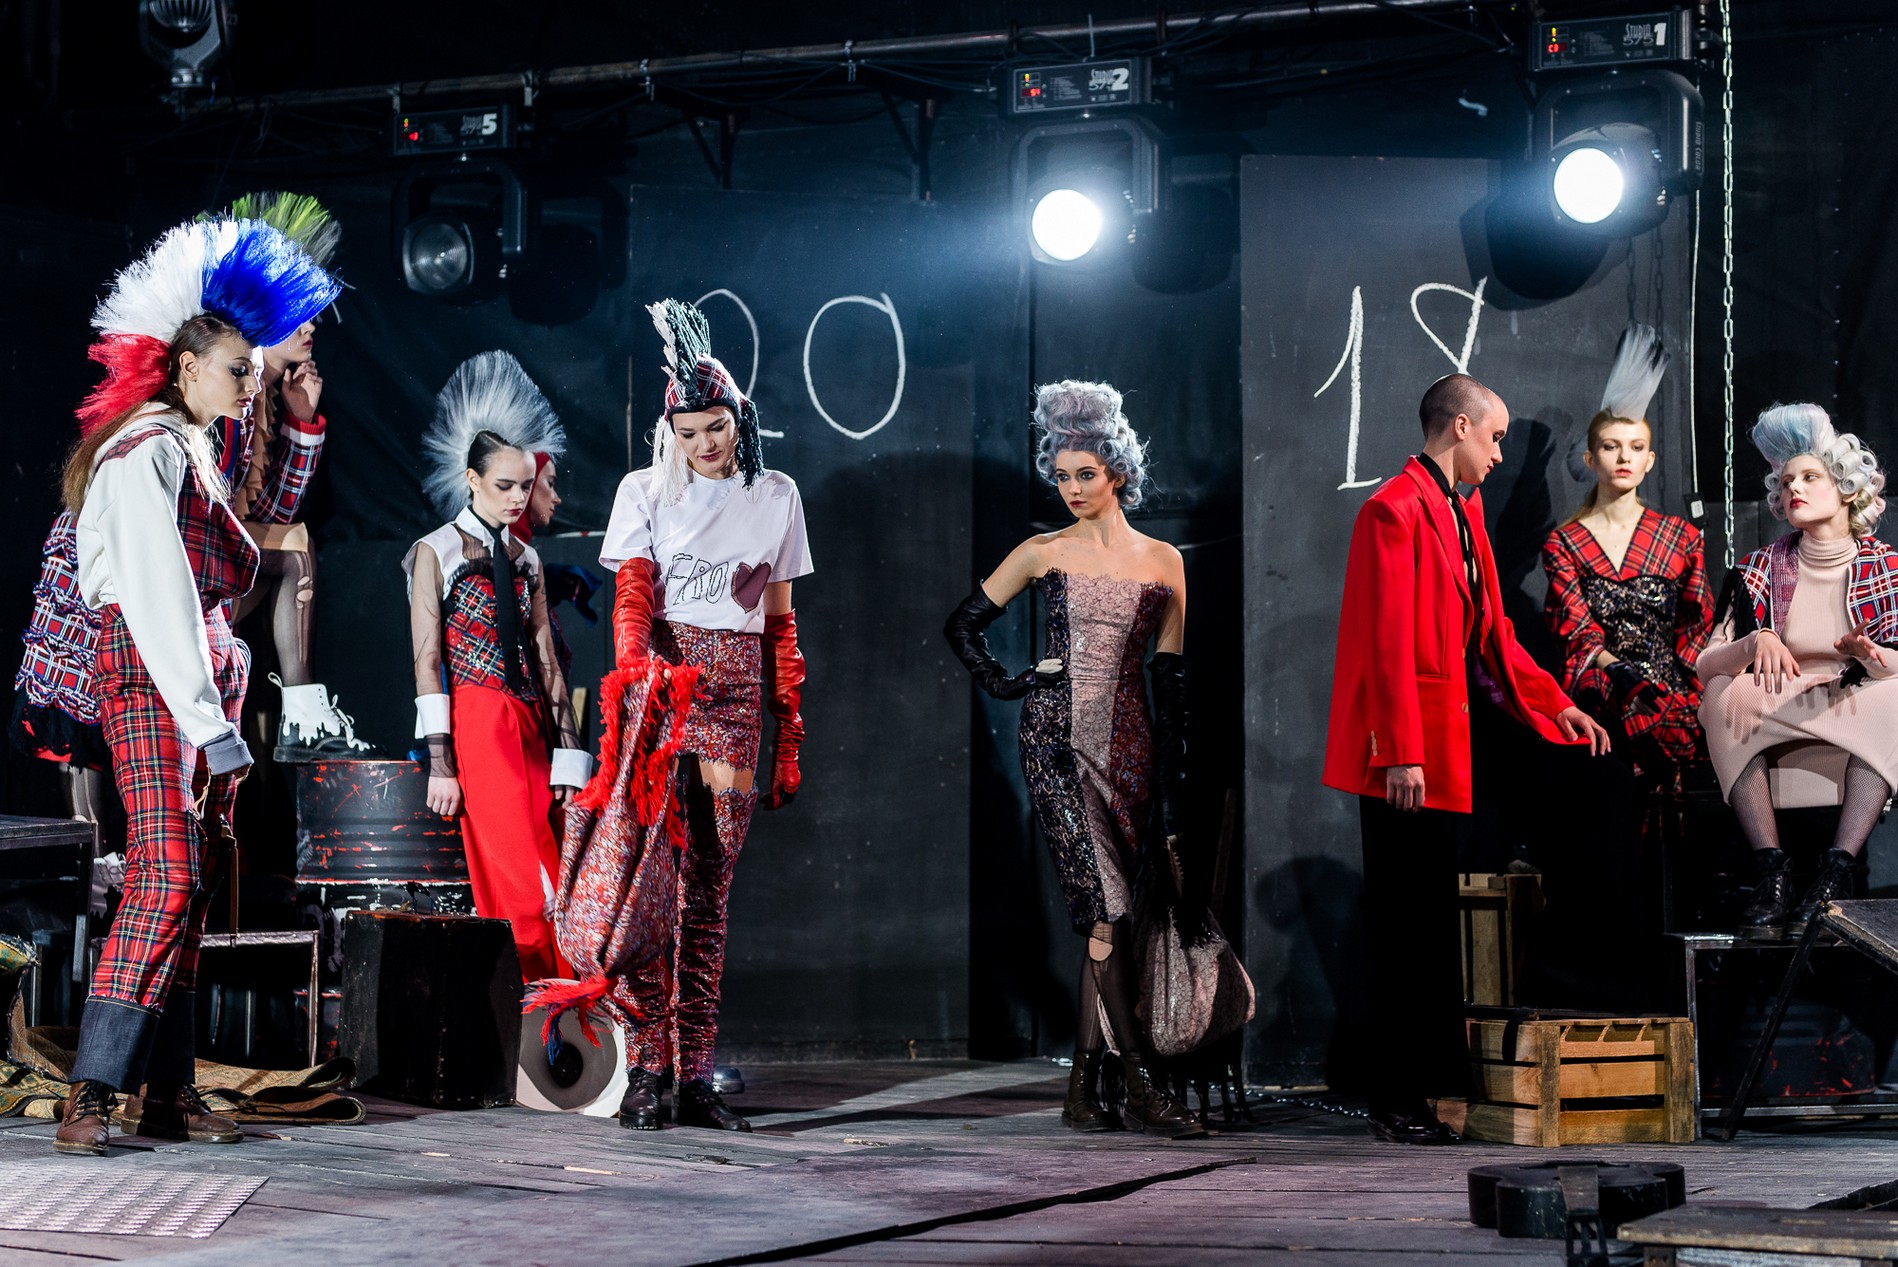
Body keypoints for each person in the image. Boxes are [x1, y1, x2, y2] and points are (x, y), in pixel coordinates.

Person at [56, 217, 341, 1156]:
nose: (249, 385)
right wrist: (207, 716)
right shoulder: (145, 450)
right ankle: (93, 1089)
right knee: (167, 874)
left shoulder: (193, 447)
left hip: (197, 676)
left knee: (196, 876)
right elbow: (157, 592)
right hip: (154, 674)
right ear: (185, 368)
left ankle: (165, 1093)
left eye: (253, 371)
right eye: (235, 371)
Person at [1322, 372, 1611, 1145]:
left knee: (1428, 923)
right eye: (1494, 435)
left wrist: (1553, 702)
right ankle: (1396, 1098)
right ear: (1458, 426)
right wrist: (1399, 752)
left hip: (1442, 752)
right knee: (1401, 925)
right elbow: (1384, 640)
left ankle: (1426, 1093)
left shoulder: (1464, 509)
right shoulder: (1393, 509)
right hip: (1403, 756)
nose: (1499, 452)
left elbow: (1493, 632)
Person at [943, 380, 1203, 1139]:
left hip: (1132, 752)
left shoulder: (1165, 561)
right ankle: (1142, 1084)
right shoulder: (1043, 551)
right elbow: (962, 626)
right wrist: (1012, 682)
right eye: (1060, 476)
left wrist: (1173, 792)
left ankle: (1084, 1090)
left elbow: (1170, 685)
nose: (1072, 489)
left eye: (1085, 473)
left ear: (1118, 471)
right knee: (1106, 909)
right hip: (1056, 746)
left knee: (1108, 925)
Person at [591, 298, 811, 1132]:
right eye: (688, 432)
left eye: (716, 427)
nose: (705, 444)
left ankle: (694, 1075)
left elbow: (781, 625)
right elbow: (633, 594)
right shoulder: (645, 489)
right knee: (652, 886)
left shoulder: (777, 494)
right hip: (666, 686)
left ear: (739, 417)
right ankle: (646, 1070)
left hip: (736, 696)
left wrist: (788, 734)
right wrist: (635, 670)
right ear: (670, 432)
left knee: (709, 897)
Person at [404, 352, 592, 984]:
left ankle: (569, 1010)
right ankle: (539, 1004)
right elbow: (427, 662)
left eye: (526, 485)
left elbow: (547, 662)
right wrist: (441, 762)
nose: (519, 498)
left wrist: (568, 756)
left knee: (561, 875)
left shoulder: (527, 560)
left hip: (533, 725)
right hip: (479, 724)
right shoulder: (435, 551)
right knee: (522, 888)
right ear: (472, 479)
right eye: (505, 485)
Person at [1698, 403, 1898, 939]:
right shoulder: (1757, 570)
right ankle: (1773, 871)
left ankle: (1836, 872)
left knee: (1896, 695)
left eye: (1810, 477)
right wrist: (1754, 640)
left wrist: (1871, 655)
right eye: (1786, 483)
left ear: (1846, 488)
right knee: (1722, 691)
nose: (1794, 490)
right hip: (1783, 703)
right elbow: (1705, 665)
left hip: (1853, 700)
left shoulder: (1887, 569)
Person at [204, 192, 374, 762]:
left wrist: (302, 424)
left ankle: (299, 715)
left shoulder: (271, 395)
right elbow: (228, 511)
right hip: (188, 555)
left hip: (222, 557)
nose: (313, 325)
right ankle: (300, 714)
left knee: (295, 542)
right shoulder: (235, 388)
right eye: (298, 311)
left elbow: (269, 514)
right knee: (297, 546)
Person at [1543, 326, 1713, 779]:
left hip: (1671, 707)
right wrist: (1615, 671)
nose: (1624, 458)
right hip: (1601, 702)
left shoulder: (1679, 537)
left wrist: (1702, 699)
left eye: (1636, 448)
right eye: (1610, 447)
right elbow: (1574, 629)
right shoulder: (1565, 543)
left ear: (1649, 460)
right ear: (1590, 458)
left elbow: (1696, 630)